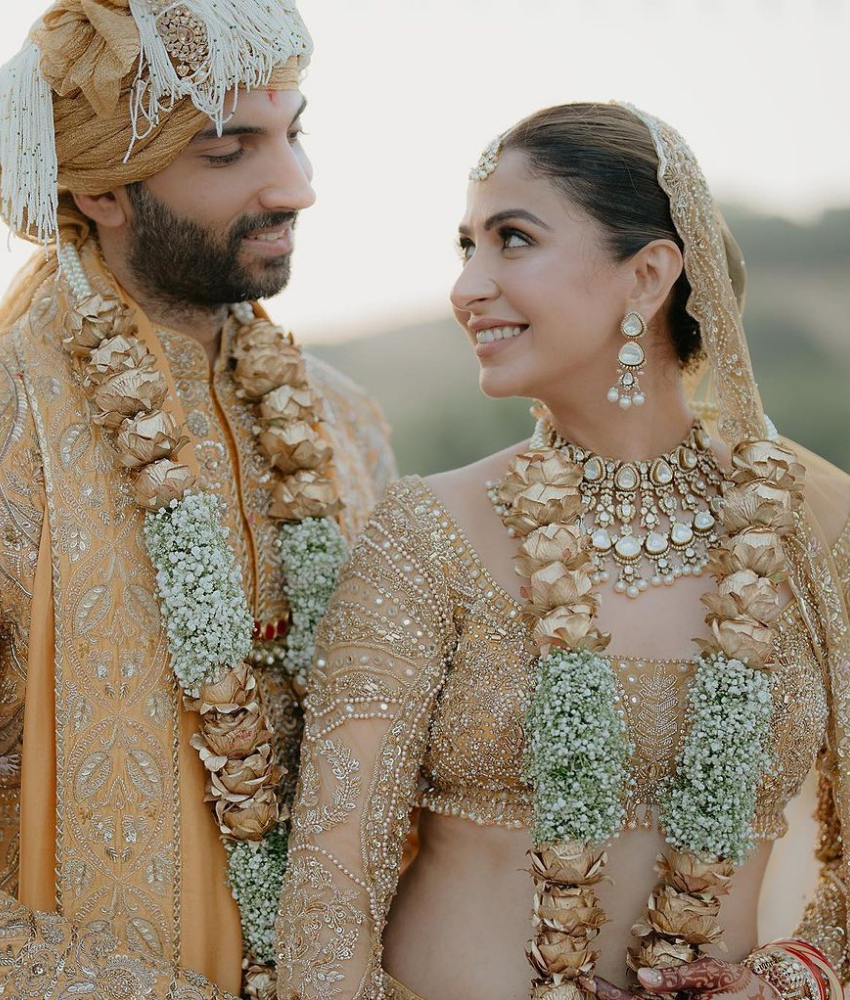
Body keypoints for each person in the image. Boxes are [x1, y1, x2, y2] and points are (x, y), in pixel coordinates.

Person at [0, 3, 396, 998]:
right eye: (231, 150)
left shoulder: (346, 428)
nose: (298, 186)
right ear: (101, 187)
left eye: (295, 131)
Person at [274, 102, 850, 1000]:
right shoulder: (429, 530)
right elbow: (328, 895)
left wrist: (789, 981)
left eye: (512, 240)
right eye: (465, 247)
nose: (468, 287)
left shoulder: (810, 526)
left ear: (648, 274)